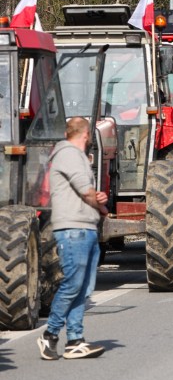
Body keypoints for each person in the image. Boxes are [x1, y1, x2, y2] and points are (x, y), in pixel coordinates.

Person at [38, 116, 107, 360]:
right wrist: (98, 202)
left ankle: (75, 340)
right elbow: (84, 190)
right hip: (73, 229)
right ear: (86, 134)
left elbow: (85, 192)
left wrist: (96, 200)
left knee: (83, 288)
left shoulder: (75, 156)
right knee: (73, 284)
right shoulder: (68, 153)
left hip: (85, 227)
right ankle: (50, 334)